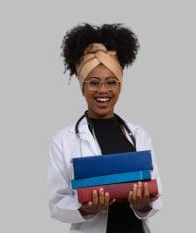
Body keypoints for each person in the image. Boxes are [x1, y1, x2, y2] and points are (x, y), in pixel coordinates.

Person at [47, 23, 163, 233]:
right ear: (82, 86)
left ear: (120, 86)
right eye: (93, 82)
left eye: (111, 82)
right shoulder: (63, 140)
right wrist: (85, 209)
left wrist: (142, 205)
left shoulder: (139, 135)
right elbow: (56, 203)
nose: (103, 90)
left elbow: (156, 194)